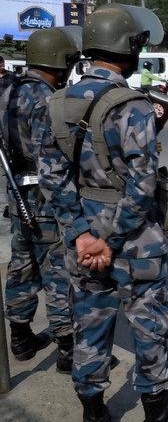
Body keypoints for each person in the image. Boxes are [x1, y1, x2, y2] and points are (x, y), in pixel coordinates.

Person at [37, 4, 168, 422]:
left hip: (82, 238)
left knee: (90, 325)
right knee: (149, 326)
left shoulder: (55, 103)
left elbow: (53, 179)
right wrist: (110, 238)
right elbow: (143, 185)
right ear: (129, 49)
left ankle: (93, 421)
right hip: (134, 240)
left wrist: (84, 236)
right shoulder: (134, 106)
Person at [1, 27, 82, 373]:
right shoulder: (47, 100)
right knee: (58, 270)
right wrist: (72, 212)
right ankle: (67, 349)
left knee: (22, 264)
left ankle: (20, 337)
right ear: (58, 60)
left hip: (17, 190)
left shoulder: (8, 91)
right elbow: (51, 161)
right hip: (44, 195)